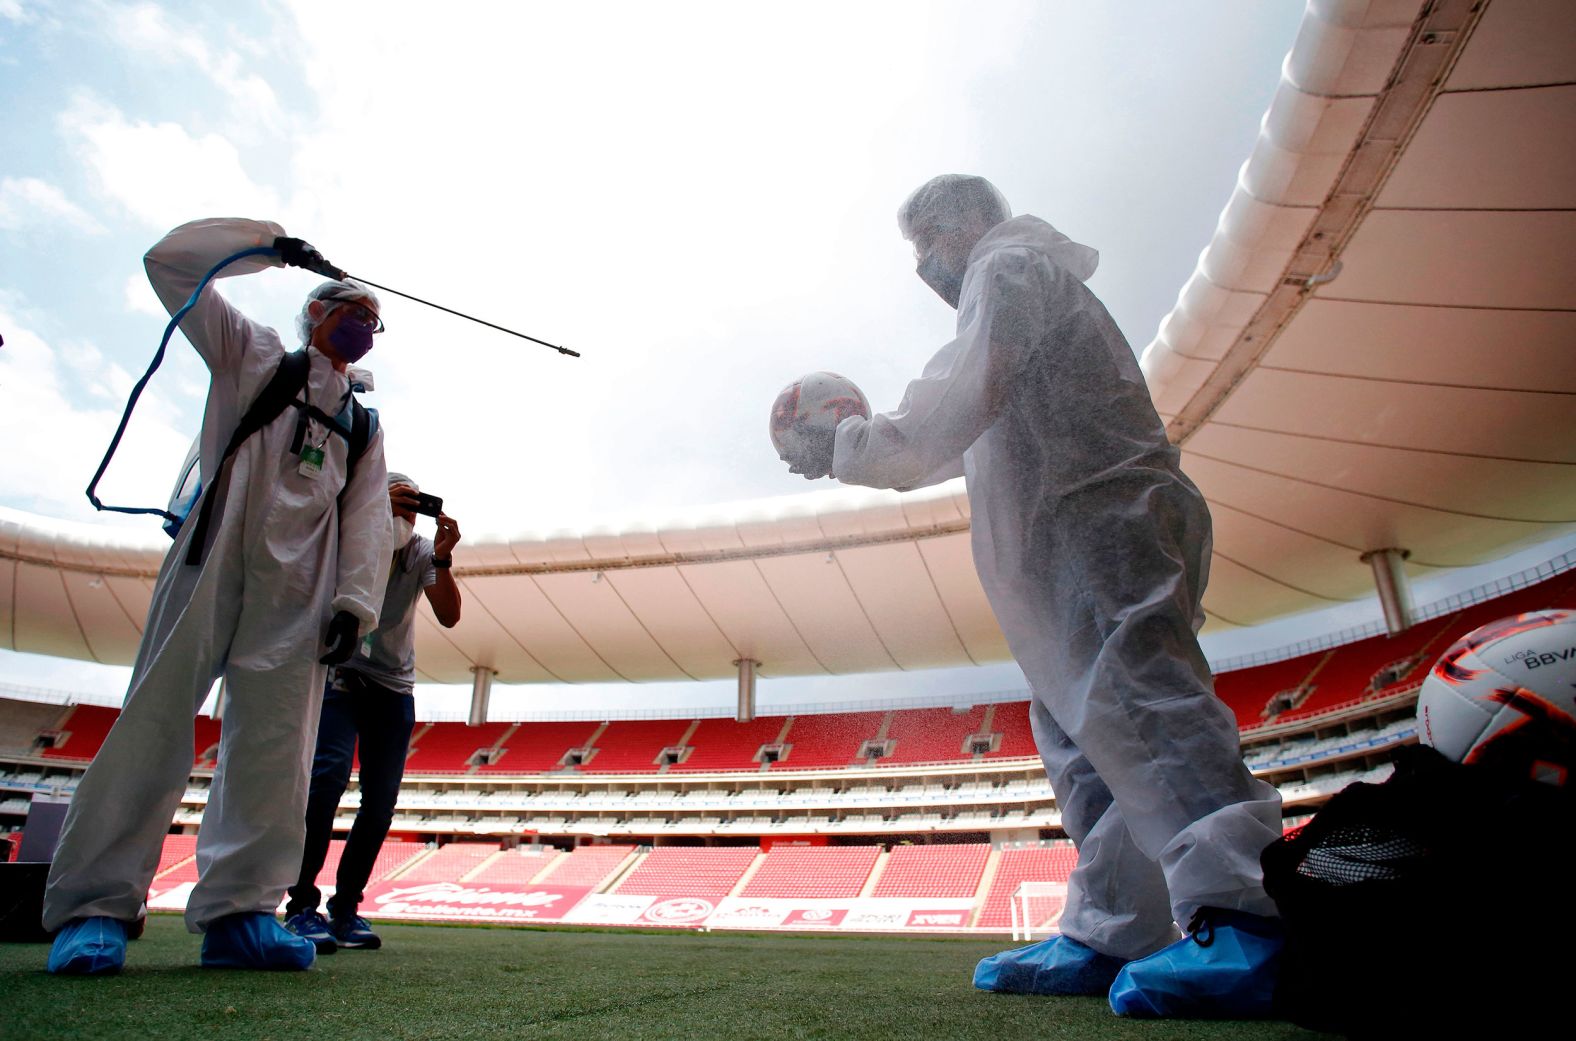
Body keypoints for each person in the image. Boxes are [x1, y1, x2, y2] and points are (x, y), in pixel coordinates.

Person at [783, 175, 1284, 1017]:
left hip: (1099, 523)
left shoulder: (1008, 266)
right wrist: (853, 449)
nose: (922, 269)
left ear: (972, 222)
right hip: (1070, 542)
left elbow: (951, 404)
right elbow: (966, 424)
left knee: (1141, 703)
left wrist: (842, 442)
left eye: (927, 243)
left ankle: (1244, 914)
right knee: (1087, 733)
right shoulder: (1015, 284)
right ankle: (1115, 928)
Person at [44, 218, 393, 974]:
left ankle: (240, 912)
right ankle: (95, 907)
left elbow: (368, 520)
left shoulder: (362, 424)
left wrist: (354, 607)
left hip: (298, 592)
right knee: (155, 720)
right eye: (349, 309)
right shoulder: (253, 352)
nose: (361, 324)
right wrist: (269, 245)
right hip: (211, 561)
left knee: (276, 750)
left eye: (373, 318)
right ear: (314, 313)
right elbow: (169, 265)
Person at [284, 473, 462, 952]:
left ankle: (346, 908)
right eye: (397, 503)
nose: (405, 514)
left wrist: (444, 557)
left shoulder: (422, 550)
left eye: (411, 505)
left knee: (380, 802)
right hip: (340, 673)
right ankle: (301, 905)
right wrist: (372, 515)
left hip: (391, 687)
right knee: (326, 778)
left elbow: (449, 614)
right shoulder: (348, 534)